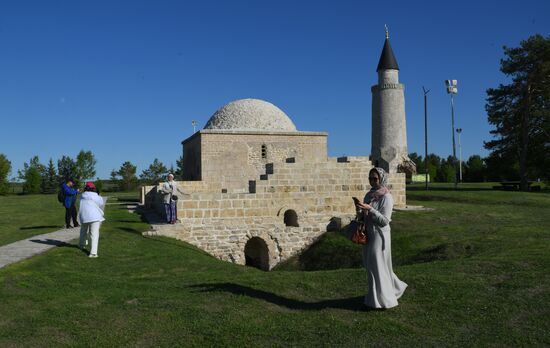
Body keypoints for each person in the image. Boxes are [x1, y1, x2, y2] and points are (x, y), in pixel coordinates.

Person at [354, 167, 407, 309]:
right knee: (371, 265)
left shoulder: (387, 197)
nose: (372, 181)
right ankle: (381, 294)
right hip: (369, 233)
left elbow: (384, 221)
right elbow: (364, 216)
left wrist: (370, 209)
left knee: (378, 266)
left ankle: (384, 300)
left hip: (379, 235)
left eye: (375, 179)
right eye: (370, 178)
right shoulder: (369, 195)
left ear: (381, 179)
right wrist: (360, 210)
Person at [78, 182, 105, 258]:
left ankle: (81, 245)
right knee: (94, 234)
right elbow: (101, 203)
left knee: (83, 231)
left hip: (84, 216)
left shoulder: (82, 195)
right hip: (94, 217)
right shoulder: (96, 196)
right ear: (93, 188)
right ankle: (93, 253)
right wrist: (98, 195)